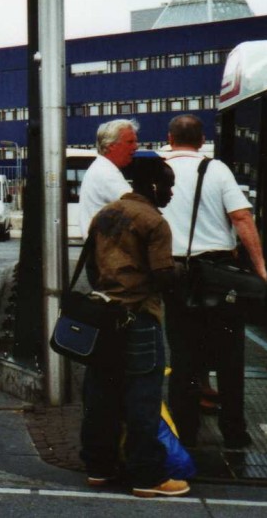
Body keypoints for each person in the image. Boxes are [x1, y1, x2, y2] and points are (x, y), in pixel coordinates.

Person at [79, 153, 187, 498]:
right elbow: (163, 276)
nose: (170, 194)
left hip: (103, 318)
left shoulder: (106, 214)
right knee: (142, 397)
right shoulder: (153, 222)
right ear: (153, 185)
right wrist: (182, 275)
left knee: (101, 395)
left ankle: (98, 467)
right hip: (139, 317)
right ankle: (147, 477)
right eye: (168, 187)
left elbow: (92, 269)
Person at [160, 114, 267, 449]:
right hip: (217, 274)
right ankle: (234, 432)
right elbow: (241, 217)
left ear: (169, 137)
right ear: (201, 139)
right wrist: (260, 267)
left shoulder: (154, 169)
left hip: (173, 272)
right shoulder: (216, 169)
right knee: (229, 355)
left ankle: (185, 431)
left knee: (183, 356)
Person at [77, 119, 139, 236]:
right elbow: (139, 209)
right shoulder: (106, 174)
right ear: (111, 145)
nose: (136, 147)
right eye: (130, 142)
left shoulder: (102, 167)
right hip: (106, 249)